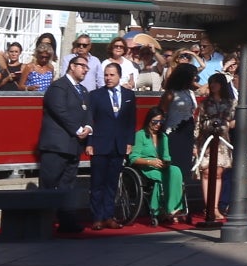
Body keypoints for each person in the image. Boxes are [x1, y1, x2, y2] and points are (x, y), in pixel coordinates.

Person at [34, 53, 94, 233]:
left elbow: (88, 112)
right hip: (56, 146)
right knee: (49, 183)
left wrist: (89, 127)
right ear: (72, 66)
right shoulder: (59, 86)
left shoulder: (83, 90)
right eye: (82, 66)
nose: (85, 70)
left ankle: (66, 221)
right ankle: (42, 222)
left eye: (87, 67)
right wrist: (77, 129)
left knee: (67, 185)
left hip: (73, 146)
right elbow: (59, 111)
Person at [87, 59, 139, 230]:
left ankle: (109, 215)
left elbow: (131, 121)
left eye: (112, 75)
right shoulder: (96, 95)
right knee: (97, 183)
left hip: (118, 144)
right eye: (106, 75)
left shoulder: (129, 95)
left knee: (112, 183)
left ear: (119, 76)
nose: (108, 78)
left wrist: (130, 142)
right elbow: (89, 120)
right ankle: (97, 217)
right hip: (100, 144)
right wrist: (89, 142)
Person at [160, 63, 202, 223]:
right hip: (173, 134)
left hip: (187, 134)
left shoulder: (190, 93)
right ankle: (170, 207)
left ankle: (180, 206)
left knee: (184, 173)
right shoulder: (170, 94)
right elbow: (161, 114)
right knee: (173, 172)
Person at [127, 106, 181, 225]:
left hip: (161, 166)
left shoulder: (163, 137)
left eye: (160, 122)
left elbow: (167, 156)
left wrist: (166, 162)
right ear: (149, 120)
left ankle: (173, 207)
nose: (157, 124)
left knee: (175, 171)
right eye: (155, 122)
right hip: (146, 167)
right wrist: (150, 162)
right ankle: (167, 209)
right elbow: (133, 158)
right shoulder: (140, 135)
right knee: (163, 178)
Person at [196, 71, 237, 222]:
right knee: (206, 172)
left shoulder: (231, 102)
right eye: (211, 82)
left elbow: (236, 121)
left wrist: (228, 124)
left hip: (222, 141)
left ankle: (215, 207)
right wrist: (195, 144)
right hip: (206, 140)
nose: (213, 85)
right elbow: (198, 124)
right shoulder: (205, 103)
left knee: (219, 173)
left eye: (216, 82)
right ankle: (209, 207)